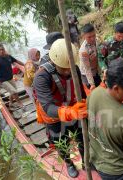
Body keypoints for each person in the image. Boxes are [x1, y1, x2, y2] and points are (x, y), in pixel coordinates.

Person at [33, 39, 87, 178]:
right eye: (63, 68)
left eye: (70, 67)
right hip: (54, 116)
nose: (67, 71)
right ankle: (69, 163)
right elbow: (48, 107)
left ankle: (86, 161)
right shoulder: (41, 77)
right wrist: (68, 112)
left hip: (73, 108)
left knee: (81, 136)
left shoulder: (74, 68)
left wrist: (84, 105)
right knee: (61, 141)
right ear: (54, 62)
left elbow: (80, 91)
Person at [0, 44, 24, 108]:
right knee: (14, 91)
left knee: (13, 91)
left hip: (10, 78)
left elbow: (16, 61)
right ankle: (20, 104)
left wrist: (25, 64)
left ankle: (10, 103)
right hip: (2, 80)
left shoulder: (8, 56)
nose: (1, 51)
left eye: (2, 49)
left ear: (4, 49)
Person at [79, 23, 101, 91]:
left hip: (96, 70)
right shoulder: (83, 51)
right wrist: (92, 84)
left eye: (93, 35)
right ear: (84, 37)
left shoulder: (97, 40)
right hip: (87, 74)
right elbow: (87, 68)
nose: (92, 39)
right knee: (93, 90)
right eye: (89, 37)